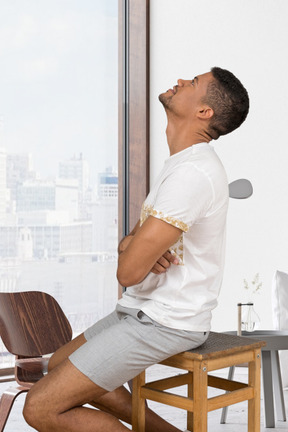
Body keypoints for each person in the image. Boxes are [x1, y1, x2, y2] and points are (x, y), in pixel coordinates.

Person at [23, 67, 249, 432]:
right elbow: (128, 245)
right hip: (140, 309)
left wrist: (134, 253)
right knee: (57, 365)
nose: (179, 81)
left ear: (204, 111)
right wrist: (134, 249)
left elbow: (126, 272)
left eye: (191, 83)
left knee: (40, 407)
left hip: (167, 321)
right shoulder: (179, 165)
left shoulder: (193, 174)